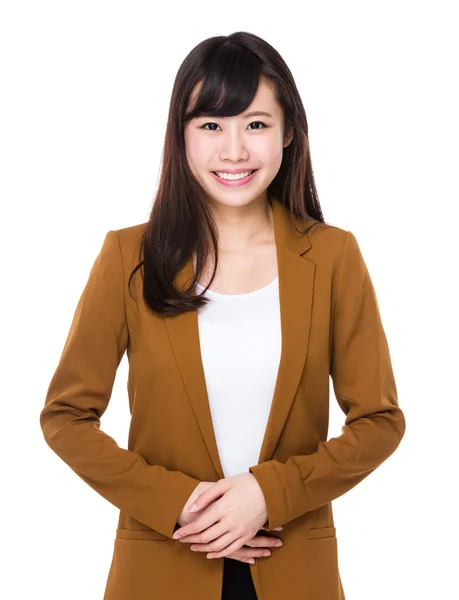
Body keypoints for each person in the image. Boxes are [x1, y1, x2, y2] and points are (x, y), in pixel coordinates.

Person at [39, 31, 406, 600]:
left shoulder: (333, 256)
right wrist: (179, 505)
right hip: (161, 567)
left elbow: (380, 421)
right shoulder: (127, 257)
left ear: (288, 134)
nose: (234, 150)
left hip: (293, 569)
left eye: (255, 124)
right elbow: (66, 416)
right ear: (180, 137)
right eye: (211, 125)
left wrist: (269, 493)